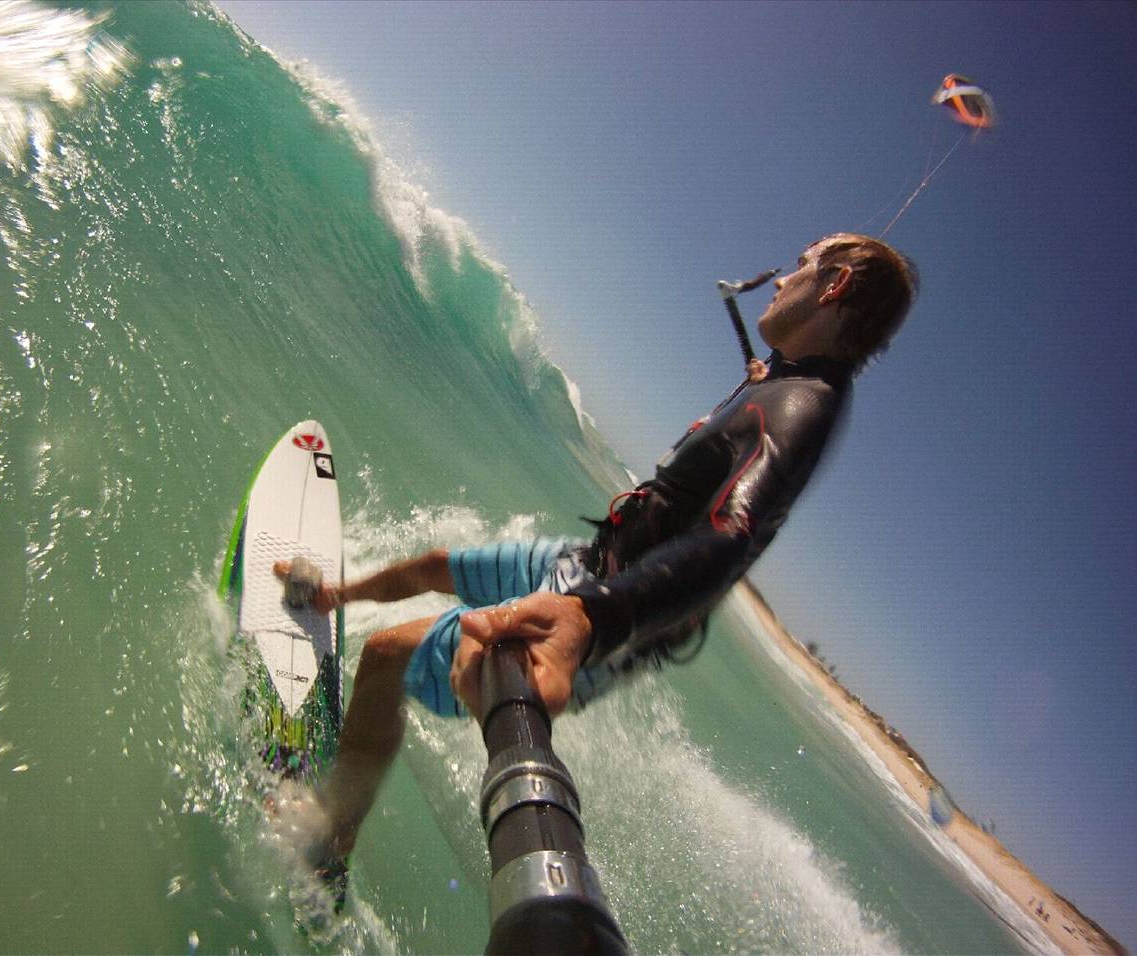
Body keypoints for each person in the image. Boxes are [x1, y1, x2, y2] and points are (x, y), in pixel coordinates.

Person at [277, 232, 919, 866]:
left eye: (802, 265)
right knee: (437, 565)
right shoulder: (789, 379)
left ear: (833, 285)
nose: (781, 279)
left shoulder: (799, 407)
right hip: (585, 559)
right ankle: (336, 595)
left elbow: (731, 536)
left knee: (385, 655)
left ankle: (333, 836)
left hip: (591, 608)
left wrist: (590, 617)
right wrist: (764, 376)